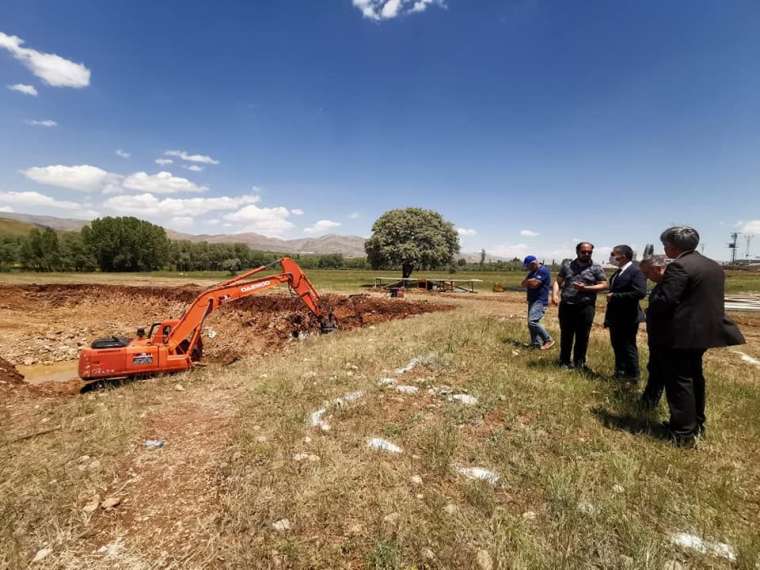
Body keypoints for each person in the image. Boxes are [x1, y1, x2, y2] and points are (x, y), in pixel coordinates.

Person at [649, 226, 745, 445]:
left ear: (672, 246)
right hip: (703, 332)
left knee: (679, 381)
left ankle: (682, 433)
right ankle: (696, 423)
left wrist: (651, 306)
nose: (665, 250)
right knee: (694, 378)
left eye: (665, 246)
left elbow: (666, 301)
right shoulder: (713, 265)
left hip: (680, 334)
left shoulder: (680, 266)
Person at [552, 242, 608, 369]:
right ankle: (564, 361)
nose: (586, 254)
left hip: (586, 307)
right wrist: (554, 295)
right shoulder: (567, 265)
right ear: (577, 251)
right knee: (566, 335)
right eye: (584, 252)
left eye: (589, 252)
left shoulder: (596, 267)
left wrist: (586, 288)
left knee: (583, 336)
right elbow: (558, 281)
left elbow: (604, 284)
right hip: (567, 306)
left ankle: (579, 363)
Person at [604, 245, 647, 381]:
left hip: (628, 316)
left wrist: (616, 296)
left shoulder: (635, 271)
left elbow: (640, 292)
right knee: (617, 345)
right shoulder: (619, 272)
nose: (611, 256)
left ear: (623, 256)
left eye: (613, 254)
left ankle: (633, 376)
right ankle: (620, 372)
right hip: (616, 316)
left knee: (628, 346)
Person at [638, 255, 669, 408]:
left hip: (667, 338)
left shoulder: (671, 285)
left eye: (647, 273)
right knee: (655, 368)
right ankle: (649, 401)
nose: (646, 277)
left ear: (657, 269)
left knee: (661, 371)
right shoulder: (661, 285)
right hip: (658, 337)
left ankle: (650, 402)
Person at [520, 255, 555, 350]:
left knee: (532, 322)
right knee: (531, 324)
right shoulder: (532, 272)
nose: (527, 268)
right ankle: (535, 343)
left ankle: (548, 340)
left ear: (533, 264)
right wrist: (529, 281)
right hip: (532, 300)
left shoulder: (543, 271)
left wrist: (529, 282)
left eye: (528, 266)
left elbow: (535, 284)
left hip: (539, 300)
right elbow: (523, 284)